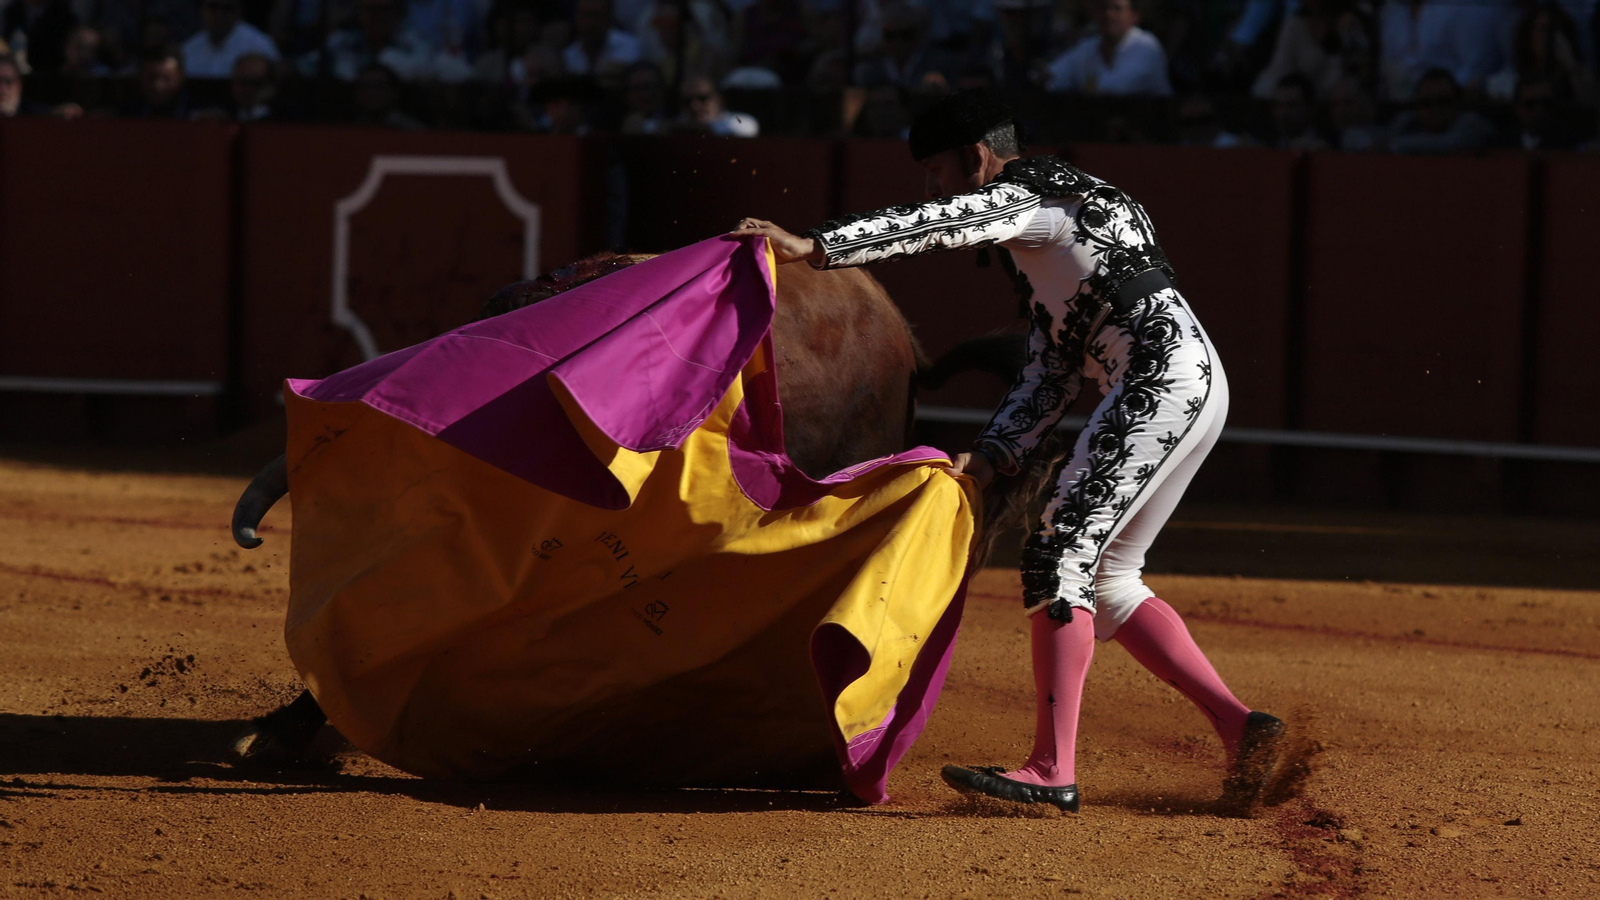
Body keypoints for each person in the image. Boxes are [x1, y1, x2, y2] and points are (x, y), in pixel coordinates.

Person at [729, 88, 1286, 814]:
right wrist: (994, 453)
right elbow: (1053, 366)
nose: (932, 188)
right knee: (1109, 577)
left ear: (976, 157)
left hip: (1156, 379)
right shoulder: (1068, 209)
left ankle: (1054, 768)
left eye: (938, 170)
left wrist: (816, 246)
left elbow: (945, 223)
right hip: (1187, 377)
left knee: (1058, 555)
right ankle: (1240, 727)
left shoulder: (1029, 196)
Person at [1044, 0, 1172, 97]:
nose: (1109, 15)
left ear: (1134, 16)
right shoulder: (1087, 47)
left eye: (1117, 9)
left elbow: (1120, 87)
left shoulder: (1147, 47)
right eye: (1103, 9)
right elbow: (1052, 76)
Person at [1387, 66, 1493, 153]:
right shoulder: (1410, 123)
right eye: (1426, 103)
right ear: (1417, 107)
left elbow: (1451, 144)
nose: (1435, 109)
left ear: (1457, 104)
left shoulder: (1471, 124)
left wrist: (1393, 144)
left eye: (1443, 101)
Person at [183, 0, 280, 78]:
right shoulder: (188, 49)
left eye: (227, 8)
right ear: (202, 10)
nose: (219, 14)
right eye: (213, 7)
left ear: (238, 10)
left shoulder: (260, 46)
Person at [676, 73, 758, 136]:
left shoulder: (738, 123)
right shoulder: (676, 125)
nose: (694, 106)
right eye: (687, 101)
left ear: (718, 100)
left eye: (702, 99)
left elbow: (748, 128)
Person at [1271, 72, 1330, 149]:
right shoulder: (1267, 144)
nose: (1283, 112)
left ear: (1309, 108)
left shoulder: (1326, 147)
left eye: (1291, 105)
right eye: (1279, 105)